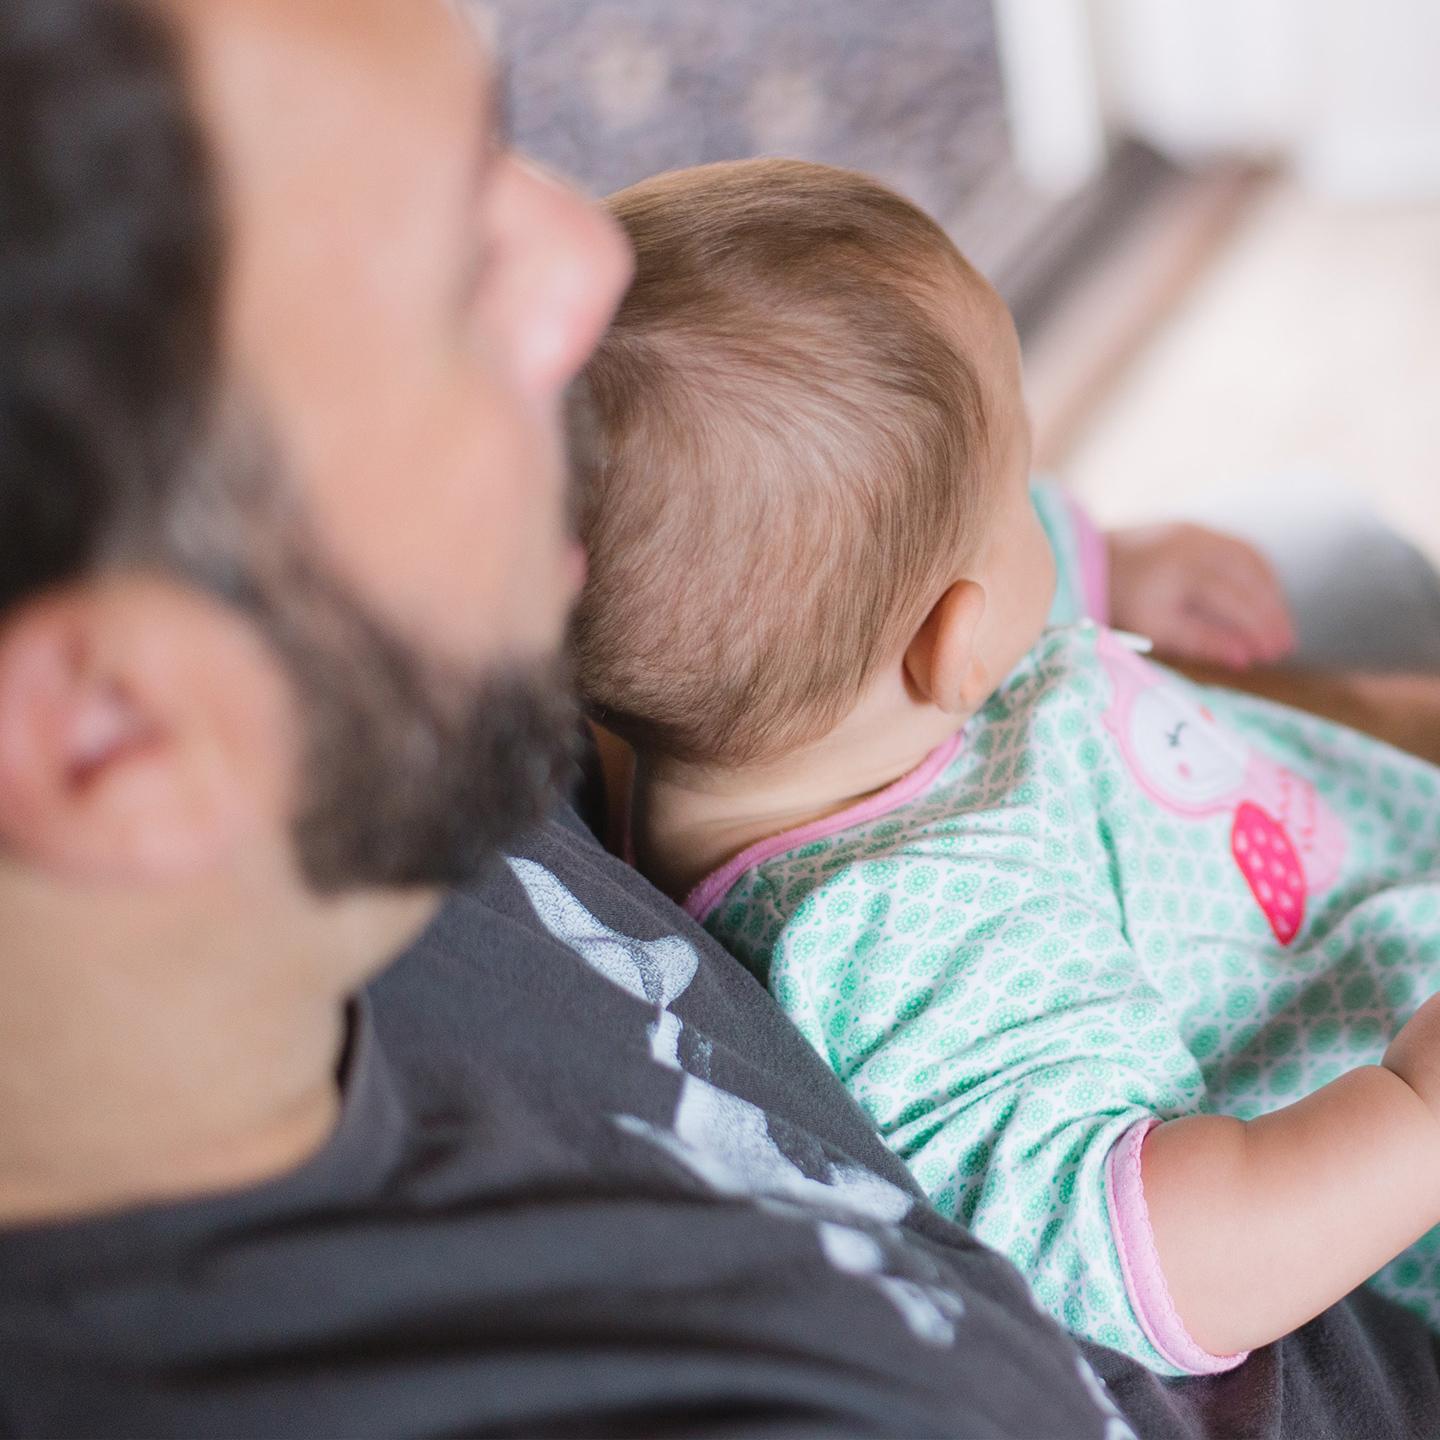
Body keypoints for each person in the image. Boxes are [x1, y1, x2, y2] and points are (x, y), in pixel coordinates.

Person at [2, 4, 1439, 1437]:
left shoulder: (468, 667)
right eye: (448, 271)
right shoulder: (905, 944)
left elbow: (828, 575)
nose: (593, 253)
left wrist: (1115, 578)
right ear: (105, 729)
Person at [572, 158, 1440, 1378]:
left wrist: (1105, 562)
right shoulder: (909, 936)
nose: (1043, 504)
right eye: (1022, 490)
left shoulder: (788, 707)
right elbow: (1147, 1257)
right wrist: (1414, 1117)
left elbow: (890, 570)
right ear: (957, 642)